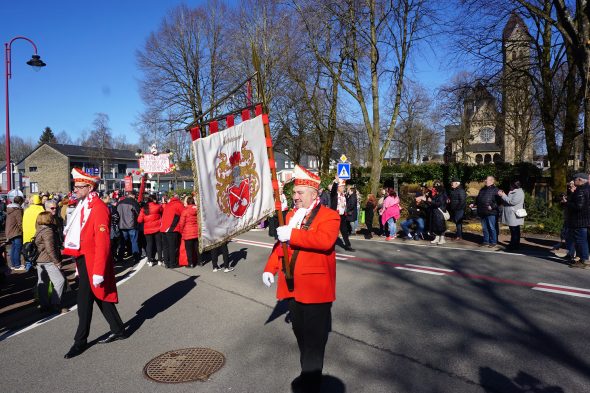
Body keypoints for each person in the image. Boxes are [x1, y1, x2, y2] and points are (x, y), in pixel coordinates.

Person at [262, 165, 340, 393]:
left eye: (299, 193)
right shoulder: (290, 216)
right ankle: (308, 371)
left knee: (315, 341)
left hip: (316, 288)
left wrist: (293, 234)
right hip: (292, 287)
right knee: (301, 336)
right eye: (294, 193)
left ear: (314, 194)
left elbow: (324, 241)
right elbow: (281, 247)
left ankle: (310, 382)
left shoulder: (329, 215)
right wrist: (270, 268)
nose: (294, 197)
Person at [63, 168, 126, 359]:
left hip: (93, 263)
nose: (76, 189)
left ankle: (79, 341)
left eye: (79, 186)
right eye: (75, 185)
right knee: (99, 296)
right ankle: (118, 329)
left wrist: (98, 271)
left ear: (90, 187)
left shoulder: (98, 207)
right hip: (84, 260)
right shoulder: (83, 204)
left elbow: (103, 242)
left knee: (84, 303)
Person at [34, 212, 67, 314]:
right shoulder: (48, 231)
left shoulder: (39, 229)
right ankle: (55, 304)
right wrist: (56, 261)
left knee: (42, 282)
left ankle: (44, 305)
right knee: (60, 281)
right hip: (47, 259)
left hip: (39, 259)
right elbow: (50, 248)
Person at [566, 173, 590, 269]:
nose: (573, 181)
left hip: (579, 220)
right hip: (584, 219)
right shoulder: (587, 189)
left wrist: (567, 203)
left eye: (575, 179)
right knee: (582, 240)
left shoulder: (581, 190)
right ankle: (582, 260)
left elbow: (578, 206)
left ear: (580, 180)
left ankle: (584, 261)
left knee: (580, 240)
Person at [472, 176, 500, 249]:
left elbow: (499, 201)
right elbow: (478, 198)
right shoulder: (482, 189)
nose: (485, 181)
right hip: (482, 211)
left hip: (491, 212)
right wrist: (474, 204)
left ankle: (493, 242)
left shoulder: (496, 190)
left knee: (491, 227)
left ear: (491, 181)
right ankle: (486, 241)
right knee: (484, 228)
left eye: (486, 180)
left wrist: (492, 206)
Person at [329, 176, 355, 251]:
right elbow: (333, 189)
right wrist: (336, 182)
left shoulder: (344, 195)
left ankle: (348, 246)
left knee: (344, 231)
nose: (344, 188)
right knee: (333, 231)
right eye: (342, 186)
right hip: (335, 215)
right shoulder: (334, 194)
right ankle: (329, 245)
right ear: (338, 187)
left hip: (342, 215)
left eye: (344, 186)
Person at [498, 180, 525, 251]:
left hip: (514, 214)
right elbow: (509, 200)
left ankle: (514, 245)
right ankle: (513, 244)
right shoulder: (514, 191)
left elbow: (512, 202)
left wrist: (503, 195)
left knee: (515, 230)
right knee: (513, 230)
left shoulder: (519, 192)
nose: (510, 186)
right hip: (512, 214)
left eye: (511, 184)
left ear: (514, 185)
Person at [160, 194, 184, 268]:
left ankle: (167, 263)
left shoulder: (168, 205)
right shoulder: (179, 204)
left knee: (165, 246)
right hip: (172, 228)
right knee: (172, 247)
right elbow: (184, 214)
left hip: (163, 228)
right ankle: (173, 263)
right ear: (178, 198)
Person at [138, 194, 163, 267]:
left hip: (147, 229)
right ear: (154, 200)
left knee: (149, 245)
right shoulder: (158, 206)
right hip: (157, 228)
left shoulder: (143, 208)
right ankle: (160, 260)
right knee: (158, 244)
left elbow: (139, 220)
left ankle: (149, 260)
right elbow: (162, 211)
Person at [22, 194, 45, 271]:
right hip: (37, 233)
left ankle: (28, 265)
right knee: (38, 250)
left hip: (27, 234)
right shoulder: (41, 210)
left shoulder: (27, 210)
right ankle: (38, 265)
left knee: (28, 249)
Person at [117, 191, 141, 263]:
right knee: (134, 241)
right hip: (132, 225)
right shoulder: (134, 203)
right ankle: (136, 257)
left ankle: (120, 257)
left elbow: (116, 214)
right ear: (133, 196)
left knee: (122, 242)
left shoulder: (120, 203)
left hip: (121, 225)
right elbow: (138, 213)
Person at [178, 196, 201, 268]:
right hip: (196, 231)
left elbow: (181, 223)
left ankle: (190, 263)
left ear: (187, 202)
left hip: (188, 232)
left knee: (189, 249)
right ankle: (200, 262)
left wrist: (181, 231)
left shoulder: (185, 211)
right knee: (197, 248)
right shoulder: (198, 210)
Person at [5, 196, 24, 270]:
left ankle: (13, 264)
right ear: (20, 202)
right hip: (16, 231)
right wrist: (23, 230)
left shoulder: (9, 209)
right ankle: (17, 265)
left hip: (10, 230)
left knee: (13, 248)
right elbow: (20, 222)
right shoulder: (17, 210)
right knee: (17, 248)